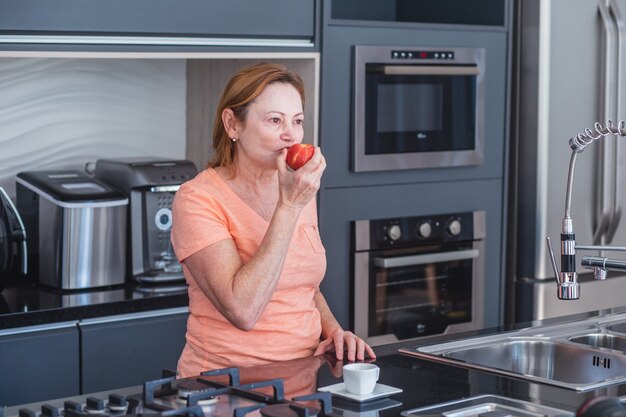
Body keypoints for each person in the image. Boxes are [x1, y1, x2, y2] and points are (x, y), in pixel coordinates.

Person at [171, 62, 375, 377]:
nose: (290, 135)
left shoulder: (295, 188)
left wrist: (333, 330)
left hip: (300, 383)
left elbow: (302, 285)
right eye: (274, 120)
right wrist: (290, 205)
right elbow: (243, 310)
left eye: (297, 121)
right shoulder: (198, 199)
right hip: (225, 387)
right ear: (232, 125)